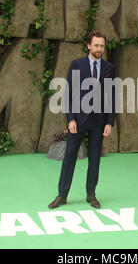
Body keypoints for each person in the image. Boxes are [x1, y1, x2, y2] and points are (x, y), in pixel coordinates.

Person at [48, 30, 116, 209]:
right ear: (89, 45)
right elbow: (69, 94)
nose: (99, 48)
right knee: (70, 156)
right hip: (78, 121)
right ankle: (62, 195)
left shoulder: (109, 69)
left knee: (95, 159)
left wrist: (109, 122)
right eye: (96, 45)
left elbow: (112, 97)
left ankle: (91, 194)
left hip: (99, 122)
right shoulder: (77, 65)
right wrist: (70, 119)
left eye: (102, 45)